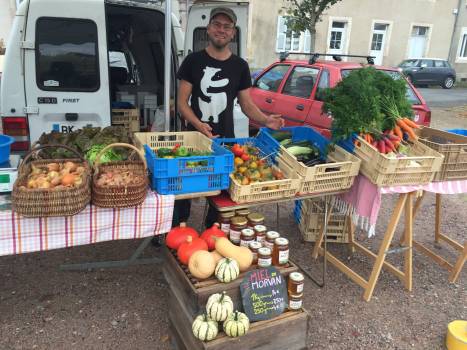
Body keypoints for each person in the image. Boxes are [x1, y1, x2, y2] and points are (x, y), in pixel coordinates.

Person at [175, 6, 284, 228]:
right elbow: (181, 103)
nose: (221, 30)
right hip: (194, 141)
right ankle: (178, 232)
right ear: (208, 29)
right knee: (185, 189)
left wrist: (265, 120)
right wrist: (198, 124)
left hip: (226, 142)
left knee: (222, 195)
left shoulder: (240, 66)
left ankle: (213, 232)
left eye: (227, 26)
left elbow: (246, 104)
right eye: (217, 25)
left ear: (233, 33)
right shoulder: (192, 61)